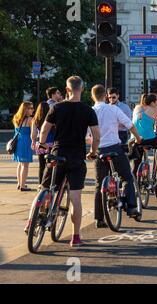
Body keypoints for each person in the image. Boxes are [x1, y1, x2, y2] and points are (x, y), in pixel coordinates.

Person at [31, 76, 100, 248]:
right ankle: (75, 237)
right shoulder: (88, 111)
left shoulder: (57, 107)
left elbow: (44, 130)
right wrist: (92, 152)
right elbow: (97, 137)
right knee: (75, 198)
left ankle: (31, 223)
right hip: (76, 157)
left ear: (67, 90)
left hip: (58, 153)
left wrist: (42, 144)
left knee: (44, 188)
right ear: (82, 89)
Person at [90, 85, 143, 228]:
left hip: (100, 150)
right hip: (115, 148)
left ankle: (99, 219)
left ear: (92, 97)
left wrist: (91, 151)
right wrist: (138, 138)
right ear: (105, 96)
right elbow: (129, 125)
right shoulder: (113, 109)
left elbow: (88, 136)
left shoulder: (91, 111)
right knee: (127, 177)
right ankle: (131, 207)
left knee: (99, 184)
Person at [130, 93, 157, 178]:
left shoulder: (137, 108)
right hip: (148, 138)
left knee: (137, 159)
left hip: (135, 138)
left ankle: (134, 177)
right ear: (153, 103)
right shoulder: (155, 110)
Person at [31, 102, 55, 185]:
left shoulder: (35, 119)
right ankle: (49, 183)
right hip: (51, 143)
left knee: (42, 165)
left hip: (40, 144)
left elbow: (33, 134)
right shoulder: (51, 118)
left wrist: (33, 142)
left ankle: (40, 184)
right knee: (50, 164)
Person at [12, 101, 34, 191]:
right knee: (25, 165)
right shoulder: (30, 120)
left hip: (17, 142)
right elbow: (33, 133)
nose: (33, 110)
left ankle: (19, 183)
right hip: (25, 142)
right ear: (26, 109)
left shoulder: (16, 118)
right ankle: (23, 185)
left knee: (20, 164)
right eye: (31, 108)